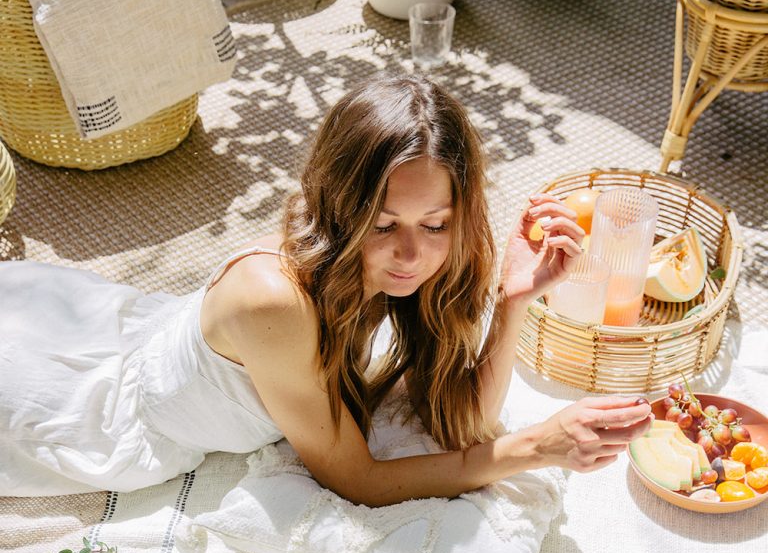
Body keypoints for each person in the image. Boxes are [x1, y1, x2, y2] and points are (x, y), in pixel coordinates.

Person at [0, 75, 651, 504]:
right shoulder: (275, 302)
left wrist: (513, 302)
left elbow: (463, 425)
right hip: (84, 404)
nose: (410, 253)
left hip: (112, 324)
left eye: (435, 224)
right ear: (341, 205)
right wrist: (537, 447)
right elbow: (357, 480)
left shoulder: (415, 262)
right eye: (383, 222)